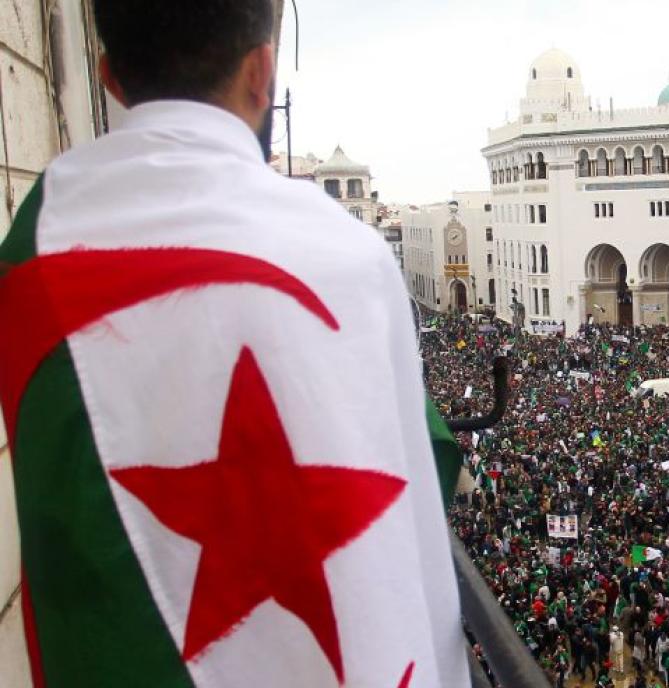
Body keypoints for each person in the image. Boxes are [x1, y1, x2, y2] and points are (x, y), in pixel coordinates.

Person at [0, 2, 466, 686]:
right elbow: (416, 498)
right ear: (262, 72)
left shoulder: (29, 259)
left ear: (109, 78)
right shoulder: (349, 258)